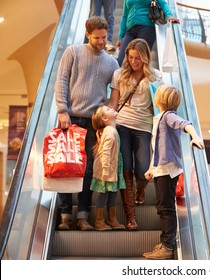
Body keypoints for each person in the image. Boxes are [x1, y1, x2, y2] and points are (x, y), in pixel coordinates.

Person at [55, 16, 120, 231]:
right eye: (97, 38)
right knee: (65, 165)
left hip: (94, 123)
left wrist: (107, 117)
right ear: (87, 34)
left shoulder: (112, 62)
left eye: (104, 37)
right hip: (71, 118)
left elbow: (115, 93)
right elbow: (62, 80)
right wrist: (62, 110)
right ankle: (65, 215)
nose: (102, 42)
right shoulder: (73, 52)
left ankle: (83, 215)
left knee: (89, 169)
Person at [142, 84, 204, 260]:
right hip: (161, 169)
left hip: (168, 170)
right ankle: (165, 243)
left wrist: (195, 136)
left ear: (161, 99)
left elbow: (184, 124)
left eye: (158, 93)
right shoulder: (159, 117)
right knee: (162, 206)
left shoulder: (169, 116)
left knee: (166, 207)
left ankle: (167, 246)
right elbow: (156, 147)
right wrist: (151, 168)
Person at [108, 38, 163, 230]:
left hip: (144, 127)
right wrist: (108, 124)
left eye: (138, 58)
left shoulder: (155, 76)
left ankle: (141, 191)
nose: (134, 61)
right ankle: (131, 218)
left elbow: (160, 105)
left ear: (145, 57)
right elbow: (113, 103)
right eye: (131, 57)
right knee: (126, 170)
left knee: (142, 169)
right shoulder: (119, 74)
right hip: (122, 124)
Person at [90, 105, 126, 231]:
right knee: (104, 194)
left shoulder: (111, 130)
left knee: (112, 194)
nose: (112, 109)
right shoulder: (110, 131)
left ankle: (112, 220)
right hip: (107, 170)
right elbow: (105, 151)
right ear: (105, 118)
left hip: (112, 168)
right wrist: (105, 169)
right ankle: (99, 221)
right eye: (108, 110)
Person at [116, 0, 180, 66]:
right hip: (130, 30)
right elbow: (124, 16)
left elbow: (163, 3)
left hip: (147, 28)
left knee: (140, 59)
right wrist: (120, 37)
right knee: (121, 60)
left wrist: (169, 15)